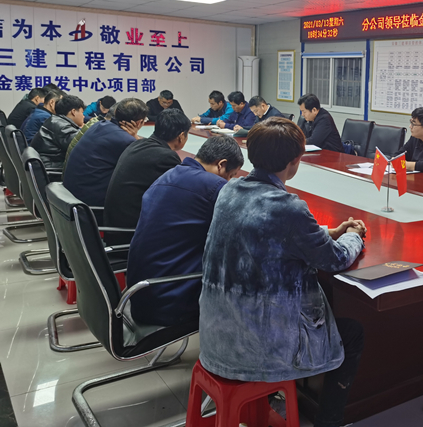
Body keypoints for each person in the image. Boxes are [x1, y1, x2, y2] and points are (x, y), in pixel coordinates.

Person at [200, 118, 366, 427]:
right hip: (261, 348)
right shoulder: (290, 207)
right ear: (294, 162)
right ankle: (328, 421)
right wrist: (353, 235)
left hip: (217, 335)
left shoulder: (230, 189)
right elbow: (336, 259)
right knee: (353, 333)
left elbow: (274, 232)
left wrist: (326, 232)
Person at [126, 136, 244, 327]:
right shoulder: (214, 186)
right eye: (231, 175)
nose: (229, 181)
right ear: (221, 165)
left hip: (140, 293)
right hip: (170, 302)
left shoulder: (169, 174)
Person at [103, 109, 192, 245]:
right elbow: (178, 198)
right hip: (131, 234)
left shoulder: (138, 144)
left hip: (115, 227)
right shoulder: (166, 157)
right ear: (181, 136)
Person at [63, 98, 147, 215]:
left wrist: (134, 137)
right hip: (91, 209)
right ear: (139, 123)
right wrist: (134, 138)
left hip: (70, 198)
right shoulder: (125, 141)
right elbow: (144, 164)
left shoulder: (98, 125)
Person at [30, 95, 85, 171]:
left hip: (47, 165)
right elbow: (83, 145)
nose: (83, 116)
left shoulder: (55, 120)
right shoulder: (62, 126)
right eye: (82, 112)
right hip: (52, 169)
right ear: (73, 112)